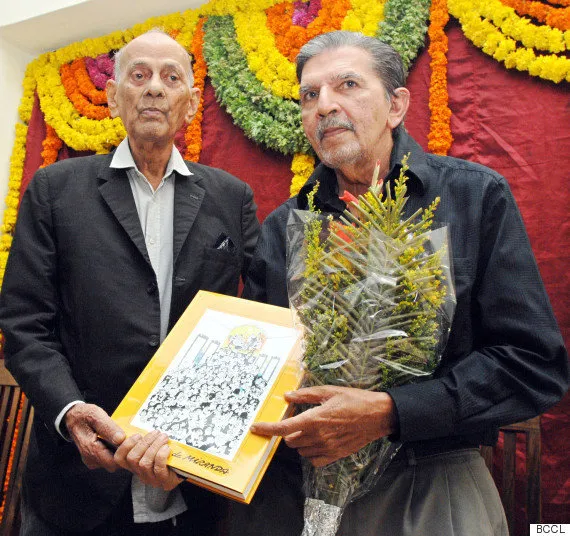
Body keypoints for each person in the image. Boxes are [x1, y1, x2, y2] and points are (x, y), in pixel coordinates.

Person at [223, 31, 569, 536]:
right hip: (298, 494)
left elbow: (535, 364)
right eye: (309, 95)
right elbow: (251, 367)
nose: (325, 106)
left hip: (432, 484)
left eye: (347, 85)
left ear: (396, 105)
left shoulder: (473, 198)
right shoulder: (281, 228)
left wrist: (391, 412)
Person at [0, 29, 259, 535]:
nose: (154, 89)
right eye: (138, 76)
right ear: (115, 97)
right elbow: (24, 324)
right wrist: (70, 410)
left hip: (191, 485)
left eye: (171, 77)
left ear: (191, 101)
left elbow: (264, 315)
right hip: (76, 485)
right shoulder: (56, 190)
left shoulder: (232, 197)